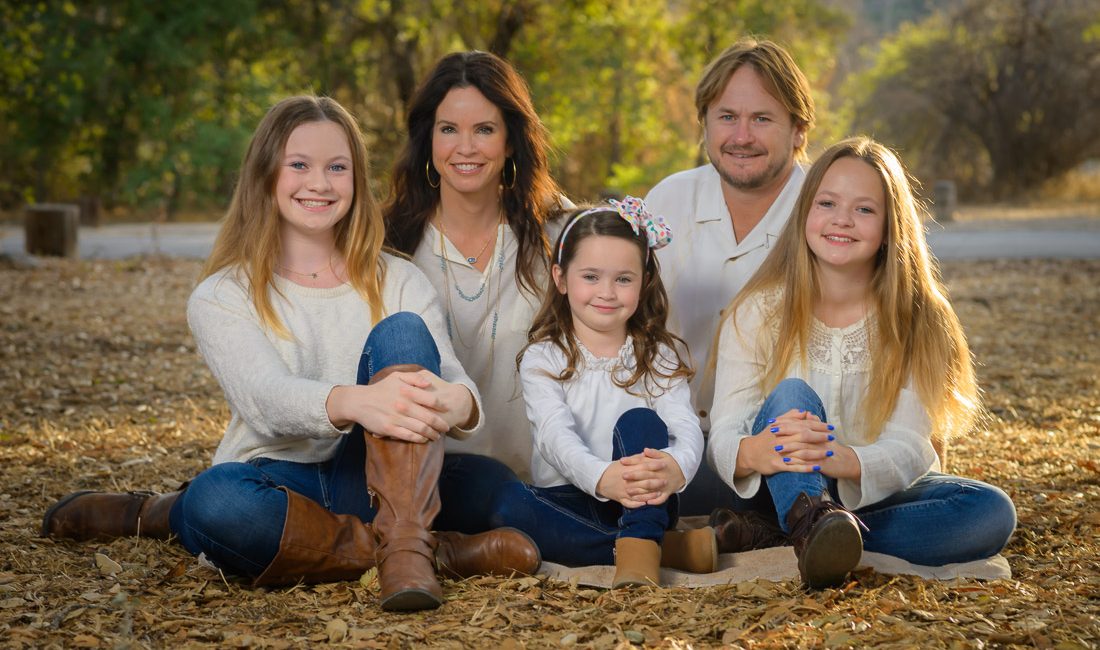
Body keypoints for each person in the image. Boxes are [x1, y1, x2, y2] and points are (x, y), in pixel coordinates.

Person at [41, 95, 539, 612]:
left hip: (377, 480)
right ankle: (422, 551)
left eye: (337, 167)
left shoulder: (399, 278)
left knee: (471, 447)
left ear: (355, 178)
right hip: (274, 477)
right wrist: (355, 402)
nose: (319, 183)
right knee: (218, 502)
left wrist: (459, 402)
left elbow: (456, 381)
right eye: (298, 165)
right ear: (265, 174)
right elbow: (265, 399)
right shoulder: (223, 294)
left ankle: (403, 543)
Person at [707, 136, 1017, 588]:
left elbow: (912, 445)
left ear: (892, 225)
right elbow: (725, 431)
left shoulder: (919, 318)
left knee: (988, 512)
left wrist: (842, 458)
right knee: (793, 395)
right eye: (827, 202)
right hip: (779, 487)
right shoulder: (757, 311)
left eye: (865, 210)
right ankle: (808, 523)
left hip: (876, 497)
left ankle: (796, 536)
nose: (842, 221)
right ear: (805, 213)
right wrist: (756, 450)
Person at [490, 199, 715, 588]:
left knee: (640, 421)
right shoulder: (544, 358)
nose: (607, 292)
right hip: (570, 499)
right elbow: (553, 436)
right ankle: (657, 549)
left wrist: (676, 467)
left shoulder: (658, 354)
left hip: (648, 497)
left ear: (643, 283)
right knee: (508, 507)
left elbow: (686, 427)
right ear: (561, 279)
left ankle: (642, 538)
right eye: (591, 277)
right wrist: (601, 477)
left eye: (623, 279)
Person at [643, 37, 816, 518]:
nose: (741, 136)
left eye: (762, 118)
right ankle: (773, 522)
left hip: (785, 447)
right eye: (726, 117)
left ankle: (786, 515)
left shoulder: (826, 208)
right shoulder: (668, 202)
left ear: (799, 129)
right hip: (680, 442)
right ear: (704, 125)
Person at [383, 51, 567, 494]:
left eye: (484, 129)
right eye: (449, 130)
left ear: (510, 141)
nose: (465, 148)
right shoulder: (389, 242)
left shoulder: (557, 234)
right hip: (427, 480)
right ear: (428, 139)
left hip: (544, 477)